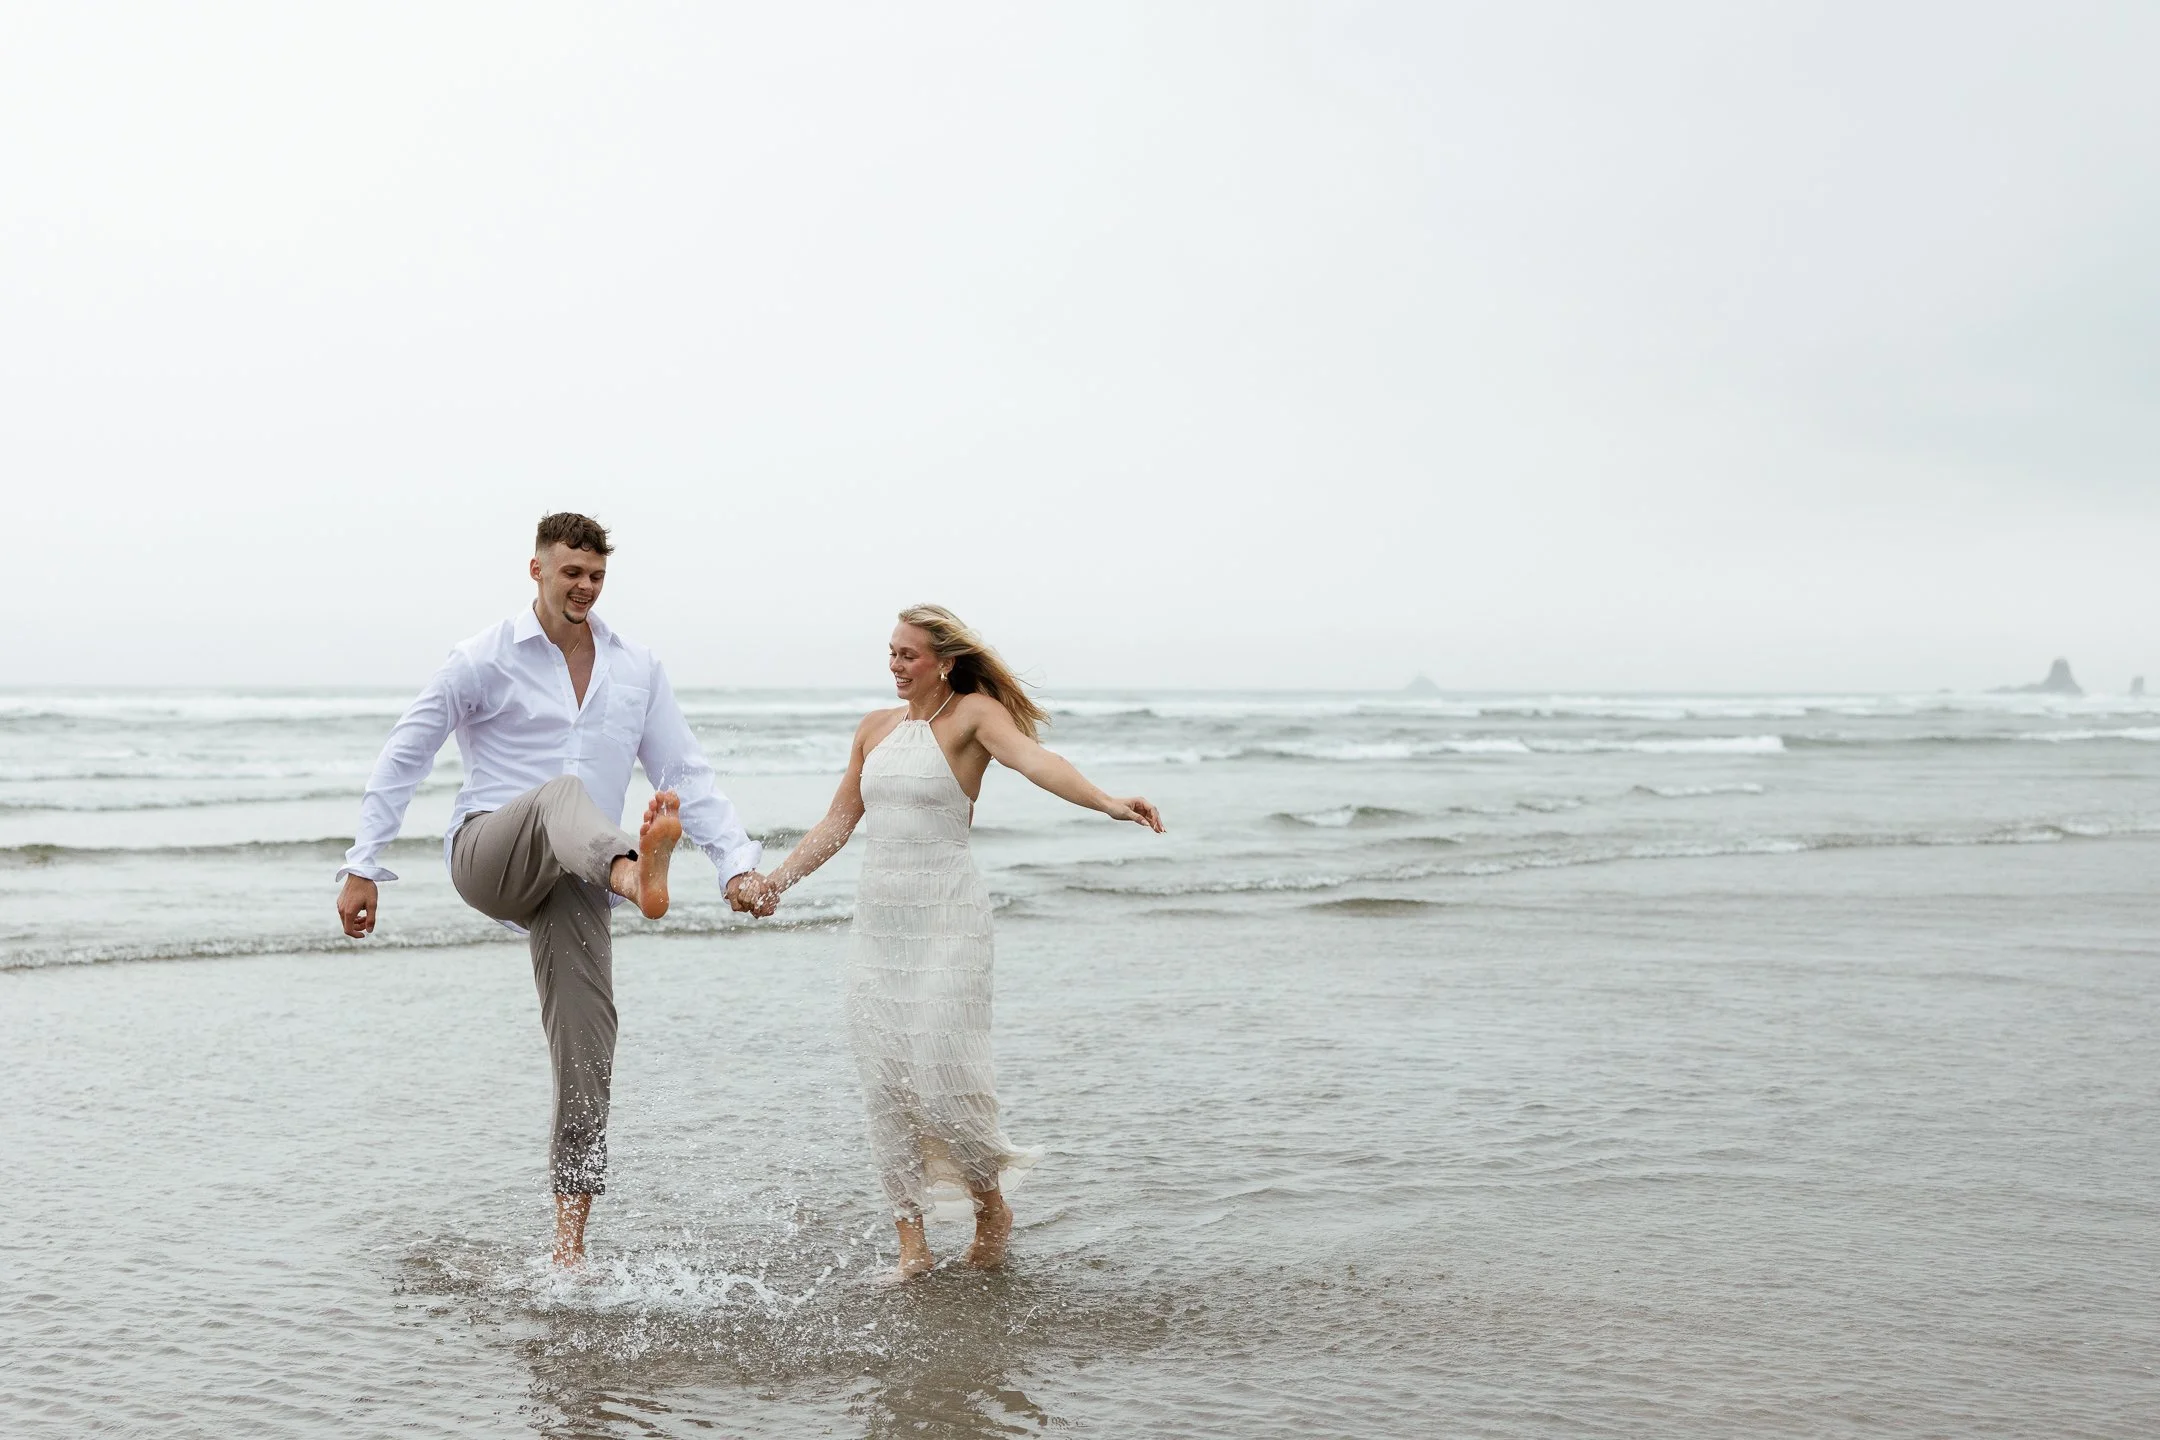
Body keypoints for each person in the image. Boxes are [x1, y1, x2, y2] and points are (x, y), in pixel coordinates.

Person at [333, 512, 773, 1266]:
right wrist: (362, 862)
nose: (585, 588)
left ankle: (569, 1250)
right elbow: (408, 749)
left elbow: (685, 772)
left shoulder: (636, 667)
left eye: (597, 576)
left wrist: (735, 865)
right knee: (563, 793)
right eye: (571, 572)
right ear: (535, 569)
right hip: (491, 851)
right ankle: (636, 873)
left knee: (588, 1047)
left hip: (580, 872)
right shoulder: (482, 658)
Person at [748, 605, 1163, 1279]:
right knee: (885, 1081)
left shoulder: (972, 716)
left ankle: (988, 1204)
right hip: (881, 929)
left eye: (907, 655)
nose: (895, 665)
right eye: (890, 653)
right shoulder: (874, 730)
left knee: (943, 1077)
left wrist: (1109, 803)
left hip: (950, 921)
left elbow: (1037, 760)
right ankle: (912, 1243)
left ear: (943, 662)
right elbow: (838, 821)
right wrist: (776, 883)